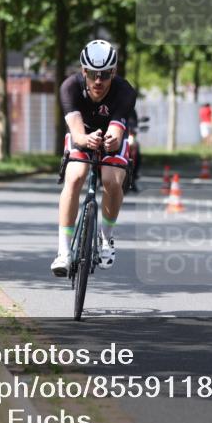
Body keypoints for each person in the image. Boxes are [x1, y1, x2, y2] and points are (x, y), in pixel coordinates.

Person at [52, 40, 136, 277]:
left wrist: (112, 141)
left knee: (111, 180)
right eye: (92, 74)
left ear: (114, 72)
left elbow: (117, 132)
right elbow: (77, 134)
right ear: (83, 71)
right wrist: (84, 139)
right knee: (75, 176)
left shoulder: (125, 91)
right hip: (83, 133)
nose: (98, 81)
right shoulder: (70, 87)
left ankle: (106, 238)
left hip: (111, 136)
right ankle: (64, 252)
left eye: (105, 74)